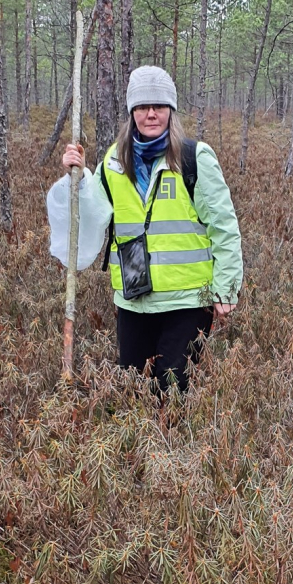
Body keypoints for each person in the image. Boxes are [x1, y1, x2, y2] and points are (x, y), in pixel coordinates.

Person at [46, 65, 243, 400]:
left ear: (171, 110)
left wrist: (227, 287)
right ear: (132, 112)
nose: (151, 113)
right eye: (142, 106)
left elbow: (224, 227)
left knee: (174, 390)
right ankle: (139, 454)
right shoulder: (113, 161)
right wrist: (76, 178)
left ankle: (174, 453)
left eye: (159, 106)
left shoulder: (195, 158)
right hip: (133, 300)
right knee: (134, 391)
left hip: (188, 300)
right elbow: (95, 216)